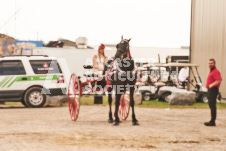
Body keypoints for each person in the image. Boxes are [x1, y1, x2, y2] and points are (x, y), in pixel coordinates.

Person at [204, 58, 222, 126]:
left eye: (211, 63)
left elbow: (219, 80)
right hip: (210, 90)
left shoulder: (215, 71)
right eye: (209, 63)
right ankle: (212, 120)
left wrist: (211, 85)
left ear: (214, 64)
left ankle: (212, 121)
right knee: (211, 105)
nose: (210, 64)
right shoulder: (211, 71)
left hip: (213, 90)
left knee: (212, 106)